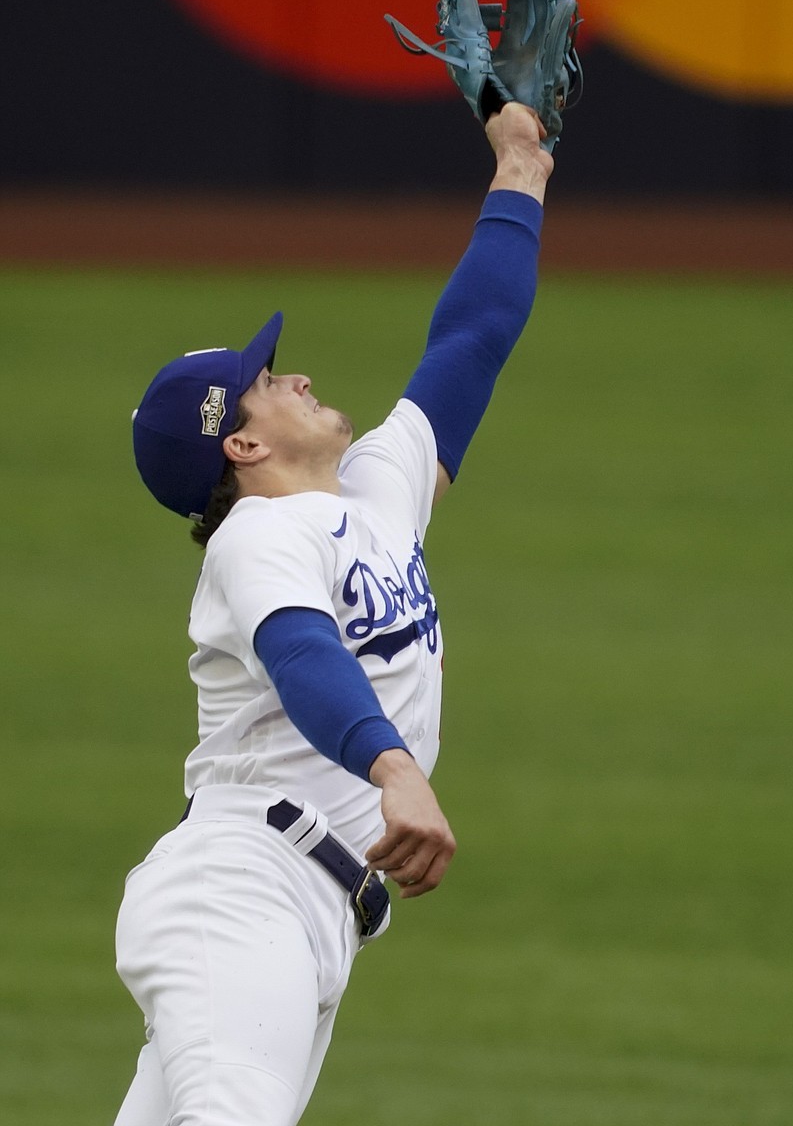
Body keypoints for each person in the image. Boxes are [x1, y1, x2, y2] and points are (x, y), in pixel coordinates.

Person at [114, 101, 554, 1126]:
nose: (297, 375)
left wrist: (519, 171)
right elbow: (299, 647)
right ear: (241, 447)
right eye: (268, 383)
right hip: (242, 890)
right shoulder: (257, 540)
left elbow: (473, 335)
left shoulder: (370, 491)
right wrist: (394, 768)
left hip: (299, 912)